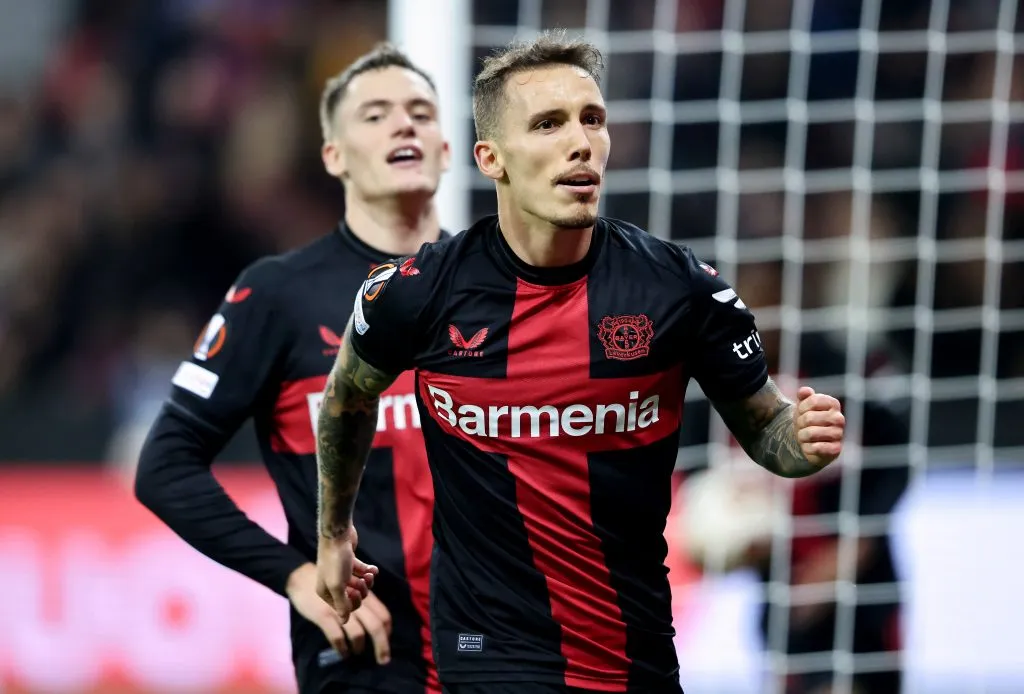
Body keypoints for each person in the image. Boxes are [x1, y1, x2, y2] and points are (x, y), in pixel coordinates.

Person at [314, 31, 845, 694]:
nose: (581, 141)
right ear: (492, 157)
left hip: (632, 647)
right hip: (486, 646)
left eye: (593, 119)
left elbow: (765, 427)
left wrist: (797, 441)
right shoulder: (419, 293)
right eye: (548, 123)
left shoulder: (680, 290)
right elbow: (346, 398)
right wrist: (334, 533)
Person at [134, 43, 449, 694]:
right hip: (366, 653)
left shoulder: (502, 290)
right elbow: (165, 467)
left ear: (448, 149)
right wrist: (294, 575)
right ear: (334, 156)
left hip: (503, 646)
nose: (404, 125)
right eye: (376, 114)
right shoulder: (278, 294)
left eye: (421, 112)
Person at [678, 259, 909, 694]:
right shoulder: (706, 395)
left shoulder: (846, 373)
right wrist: (731, 545)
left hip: (864, 588)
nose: (759, 314)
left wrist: (853, 548)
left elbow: (898, 459)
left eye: (771, 298)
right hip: (784, 593)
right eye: (749, 300)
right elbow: (699, 505)